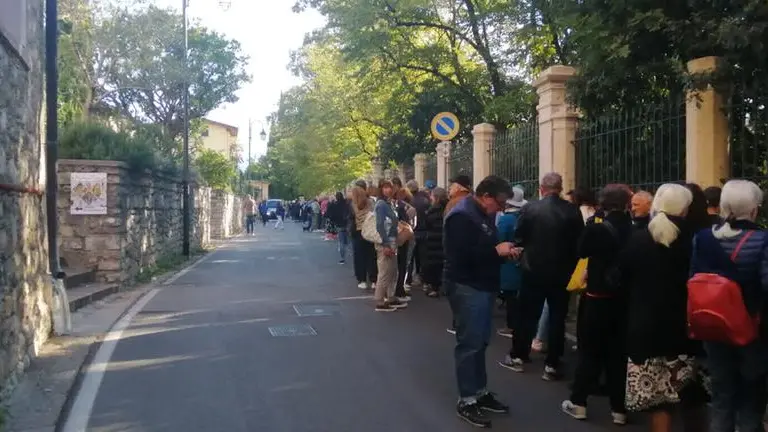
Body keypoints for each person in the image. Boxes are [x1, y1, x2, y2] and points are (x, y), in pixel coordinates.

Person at [620, 183, 709, 432]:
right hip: (687, 329)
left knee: (658, 401)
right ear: (685, 208)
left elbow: (619, 278)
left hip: (645, 329)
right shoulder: (698, 238)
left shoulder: (638, 238)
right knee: (692, 397)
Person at [690, 179, 768, 432]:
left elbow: (693, 277)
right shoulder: (762, 241)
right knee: (751, 399)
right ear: (755, 209)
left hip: (714, 327)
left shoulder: (702, 238)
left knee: (722, 397)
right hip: (750, 330)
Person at [444, 175, 518, 428]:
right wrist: (496, 252)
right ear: (486, 197)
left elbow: (483, 247)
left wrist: (502, 252)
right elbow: (461, 256)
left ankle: (479, 392)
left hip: (481, 285)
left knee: (480, 341)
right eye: (499, 203)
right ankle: (467, 399)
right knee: (470, 344)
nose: (501, 208)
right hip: (468, 286)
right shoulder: (462, 216)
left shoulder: (480, 213)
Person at [561, 184, 633, 425]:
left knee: (590, 352)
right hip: (624, 300)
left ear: (602, 202)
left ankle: (579, 401)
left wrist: (593, 224)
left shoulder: (597, 227)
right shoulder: (635, 228)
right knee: (618, 354)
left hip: (597, 296)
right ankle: (619, 409)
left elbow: (581, 250)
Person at [508, 172, 584, 381]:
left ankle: (519, 356)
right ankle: (552, 363)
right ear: (560, 188)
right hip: (561, 272)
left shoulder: (530, 209)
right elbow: (579, 242)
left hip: (533, 269)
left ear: (542, 188)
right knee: (557, 317)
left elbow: (519, 236)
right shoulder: (571, 211)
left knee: (527, 314)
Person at [496, 185, 527, 339]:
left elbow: (499, 239)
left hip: (508, 261)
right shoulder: (523, 217)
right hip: (522, 260)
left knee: (510, 297)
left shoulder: (505, 219)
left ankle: (511, 326)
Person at [373, 179, 407, 312]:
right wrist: (385, 243)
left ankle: (391, 297)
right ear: (380, 189)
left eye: (390, 188)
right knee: (385, 271)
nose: (388, 190)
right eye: (385, 188)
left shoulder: (388, 203)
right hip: (385, 241)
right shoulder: (381, 204)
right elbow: (380, 225)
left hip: (392, 240)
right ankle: (380, 301)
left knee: (392, 270)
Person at [350, 181, 378, 289]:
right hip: (370, 231)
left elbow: (350, 218)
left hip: (358, 232)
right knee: (372, 255)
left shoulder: (353, 203)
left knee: (359, 256)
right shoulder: (371, 201)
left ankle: (362, 280)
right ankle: (373, 279)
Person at [422, 187, 448, 298]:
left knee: (434, 265)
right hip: (444, 239)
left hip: (433, 240)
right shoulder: (448, 208)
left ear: (435, 197)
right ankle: (445, 287)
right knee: (443, 264)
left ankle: (435, 288)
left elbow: (427, 224)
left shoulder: (432, 210)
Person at [328, 192, 351, 264]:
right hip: (347, 224)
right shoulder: (347, 204)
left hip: (339, 225)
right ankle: (352, 253)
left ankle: (342, 258)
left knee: (341, 242)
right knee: (349, 241)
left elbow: (329, 214)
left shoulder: (334, 205)